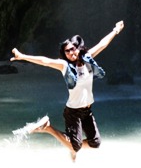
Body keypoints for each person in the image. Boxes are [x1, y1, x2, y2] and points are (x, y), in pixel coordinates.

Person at [11, 21, 124, 160]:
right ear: (64, 54)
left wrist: (116, 30)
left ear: (78, 48)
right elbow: (45, 61)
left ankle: (71, 147)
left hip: (87, 110)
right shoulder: (64, 65)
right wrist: (22, 56)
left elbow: (102, 44)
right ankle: (48, 127)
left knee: (95, 143)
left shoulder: (87, 58)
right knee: (74, 146)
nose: (71, 52)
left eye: (73, 49)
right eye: (67, 51)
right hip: (73, 112)